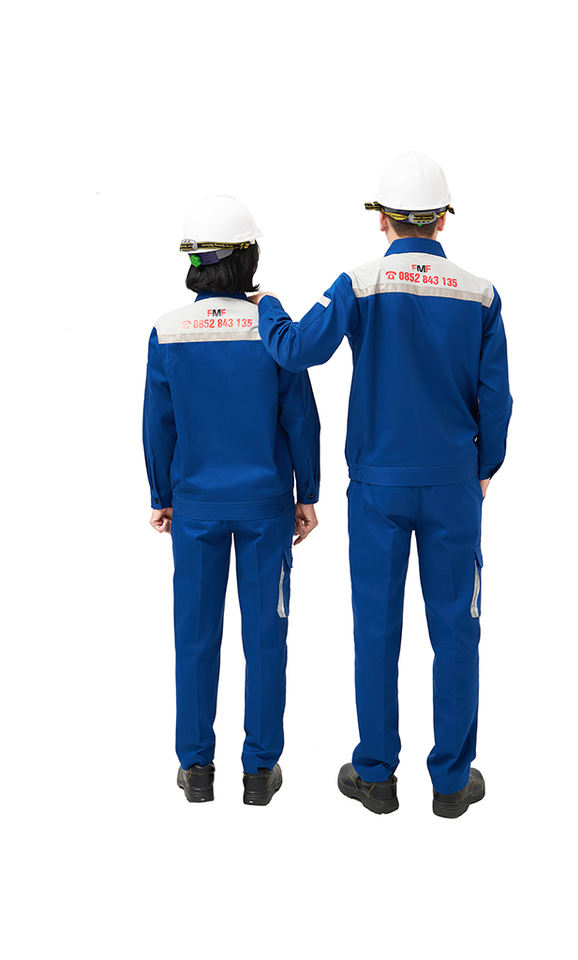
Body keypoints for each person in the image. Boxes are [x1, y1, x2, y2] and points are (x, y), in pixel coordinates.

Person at [251, 153, 512, 817]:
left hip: (377, 488)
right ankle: (451, 784)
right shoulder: (480, 294)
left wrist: (268, 305)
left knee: (376, 629)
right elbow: (496, 398)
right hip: (453, 486)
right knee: (457, 631)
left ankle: (375, 776)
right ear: (443, 218)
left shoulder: (358, 283)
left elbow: (295, 349)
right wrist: (484, 469)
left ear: (382, 220)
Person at [143, 195, 320, 805]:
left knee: (194, 636)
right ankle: (258, 771)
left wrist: (161, 494)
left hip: (195, 508)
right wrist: (307, 492)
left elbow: (158, 422)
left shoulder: (168, 331)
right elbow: (300, 418)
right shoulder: (271, 331)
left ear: (194, 262)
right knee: (265, 637)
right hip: (265, 506)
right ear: (248, 259)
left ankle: (196, 768)